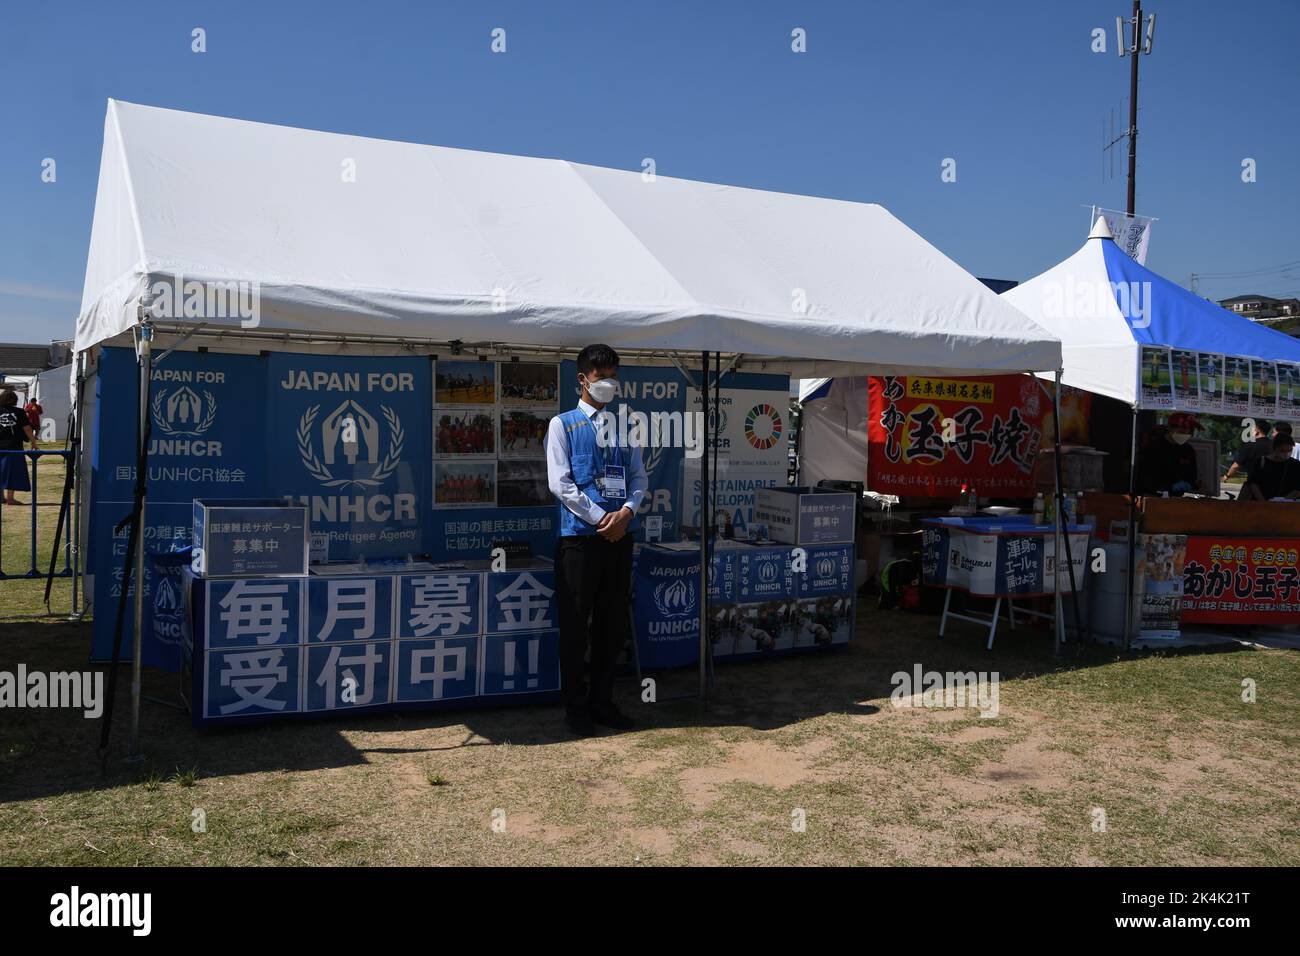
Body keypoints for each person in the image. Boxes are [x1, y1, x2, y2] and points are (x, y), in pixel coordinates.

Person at [546, 344, 647, 736]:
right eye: (600, 375)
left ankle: (603, 704)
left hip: (619, 540)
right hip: (580, 543)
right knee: (575, 628)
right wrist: (600, 516)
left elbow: (639, 478)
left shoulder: (624, 428)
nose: (608, 383)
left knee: (610, 626)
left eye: (613, 375)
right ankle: (575, 710)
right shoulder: (562, 425)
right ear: (582, 379)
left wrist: (627, 512)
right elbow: (561, 483)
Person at [1138, 411, 1200, 497]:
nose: (1185, 433)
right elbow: (1146, 478)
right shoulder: (1154, 447)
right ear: (1169, 428)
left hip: (1179, 499)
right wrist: (1169, 487)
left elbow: (1192, 476)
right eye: (1181, 429)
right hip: (1154, 497)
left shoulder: (1188, 450)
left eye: (1189, 430)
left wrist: (1193, 485)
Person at [0, 389, 36, 506]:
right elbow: (27, 429)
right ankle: (10, 498)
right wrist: (33, 443)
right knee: (12, 472)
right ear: (15, 400)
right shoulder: (19, 412)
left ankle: (1, 497)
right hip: (13, 446)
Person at [1241, 433, 1300, 500]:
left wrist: (1283, 501)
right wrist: (1264, 502)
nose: (1286, 454)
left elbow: (1297, 488)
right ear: (1274, 448)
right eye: (1282, 451)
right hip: (1261, 504)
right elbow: (1253, 484)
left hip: (1286, 505)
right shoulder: (1261, 462)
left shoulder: (1296, 464)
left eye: (1290, 450)